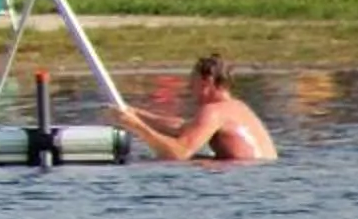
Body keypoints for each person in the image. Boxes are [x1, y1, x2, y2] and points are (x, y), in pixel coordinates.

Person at [112, 53, 278, 162]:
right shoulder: (238, 107)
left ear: (207, 82)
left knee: (170, 162)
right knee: (199, 162)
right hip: (259, 176)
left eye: (193, 82)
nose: (189, 88)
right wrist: (135, 113)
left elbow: (178, 154)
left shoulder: (213, 111)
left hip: (241, 183)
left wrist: (136, 126)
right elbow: (183, 127)